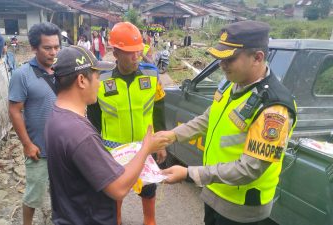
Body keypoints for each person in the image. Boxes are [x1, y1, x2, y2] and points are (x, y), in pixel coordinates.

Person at [159, 21, 297, 225]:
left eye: (230, 59)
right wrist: (172, 135)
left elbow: (249, 169)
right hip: (215, 191)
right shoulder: (230, 84)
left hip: (241, 208)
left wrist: (190, 173)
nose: (222, 65)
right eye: (220, 58)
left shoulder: (274, 108)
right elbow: (207, 118)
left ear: (257, 58)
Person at [45, 45, 169, 225]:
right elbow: (118, 188)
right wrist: (145, 150)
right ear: (81, 80)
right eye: (96, 76)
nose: (99, 82)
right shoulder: (81, 135)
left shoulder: (57, 116)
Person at [87, 22, 167, 225]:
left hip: (144, 149)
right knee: (116, 195)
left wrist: (161, 142)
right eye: (130, 53)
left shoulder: (151, 75)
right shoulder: (101, 81)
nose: (136, 57)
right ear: (115, 52)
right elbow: (94, 119)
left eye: (138, 52)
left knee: (148, 191)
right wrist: (96, 151)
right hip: (113, 153)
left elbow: (159, 108)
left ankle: (149, 221)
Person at [8, 22, 61, 225]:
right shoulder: (22, 75)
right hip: (40, 149)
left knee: (63, 192)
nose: (53, 52)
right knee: (34, 194)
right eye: (47, 48)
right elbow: (14, 110)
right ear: (34, 47)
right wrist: (27, 144)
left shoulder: (61, 70)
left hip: (63, 147)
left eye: (56, 47)